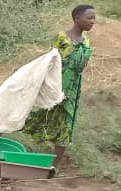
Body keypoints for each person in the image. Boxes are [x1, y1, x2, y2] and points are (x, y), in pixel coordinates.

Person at [20, 4, 96, 165]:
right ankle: (1, 136)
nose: (93, 21)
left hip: (71, 91)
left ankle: (55, 166)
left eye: (94, 18)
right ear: (77, 18)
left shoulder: (86, 42)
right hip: (54, 87)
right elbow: (47, 62)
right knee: (37, 115)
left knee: (66, 124)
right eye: (89, 18)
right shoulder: (61, 38)